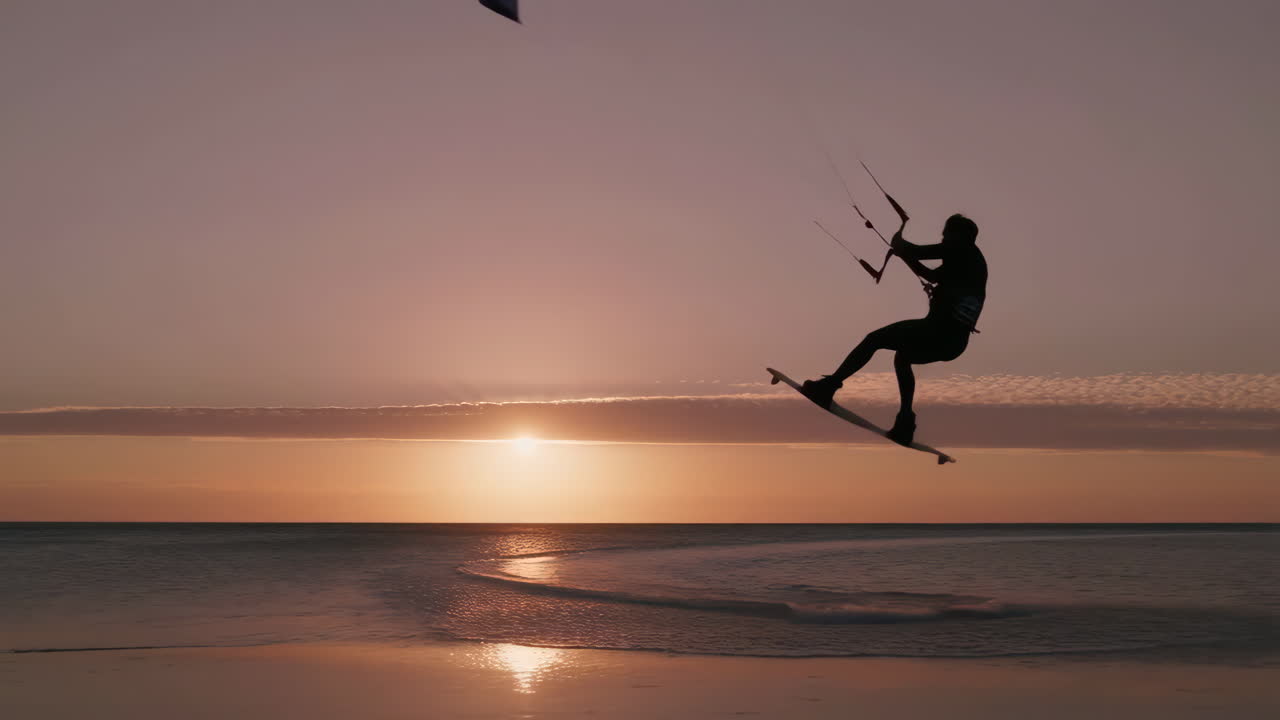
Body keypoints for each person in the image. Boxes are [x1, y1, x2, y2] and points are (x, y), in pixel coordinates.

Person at [801, 214, 986, 446]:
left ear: (959, 236)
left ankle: (829, 386)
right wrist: (903, 254)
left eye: (947, 234)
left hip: (939, 332)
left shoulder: (962, 252)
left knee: (874, 339)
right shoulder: (968, 260)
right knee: (904, 357)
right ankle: (905, 421)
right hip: (953, 343)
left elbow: (917, 252)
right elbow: (928, 273)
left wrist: (899, 242)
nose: (944, 238)